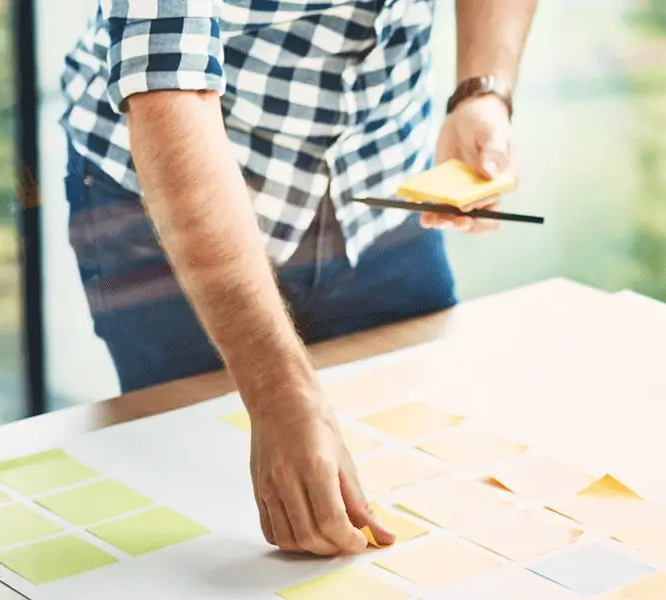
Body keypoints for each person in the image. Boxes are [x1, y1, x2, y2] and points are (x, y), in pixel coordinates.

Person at [59, 0, 536, 556]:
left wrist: (482, 90)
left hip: (379, 181)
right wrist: (276, 393)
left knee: (426, 480)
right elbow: (172, 94)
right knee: (194, 516)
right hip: (171, 199)